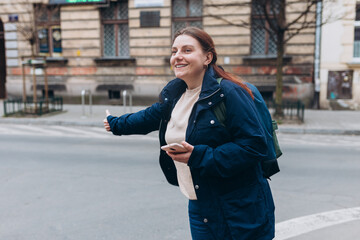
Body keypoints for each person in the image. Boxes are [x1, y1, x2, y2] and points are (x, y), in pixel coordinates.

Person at [104, 27, 275, 240]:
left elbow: (253, 146)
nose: (178, 56)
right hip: (200, 205)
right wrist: (116, 124)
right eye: (174, 51)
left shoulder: (230, 92)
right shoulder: (175, 94)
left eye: (187, 50)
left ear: (207, 57)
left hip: (240, 209)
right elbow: (149, 117)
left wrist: (198, 156)